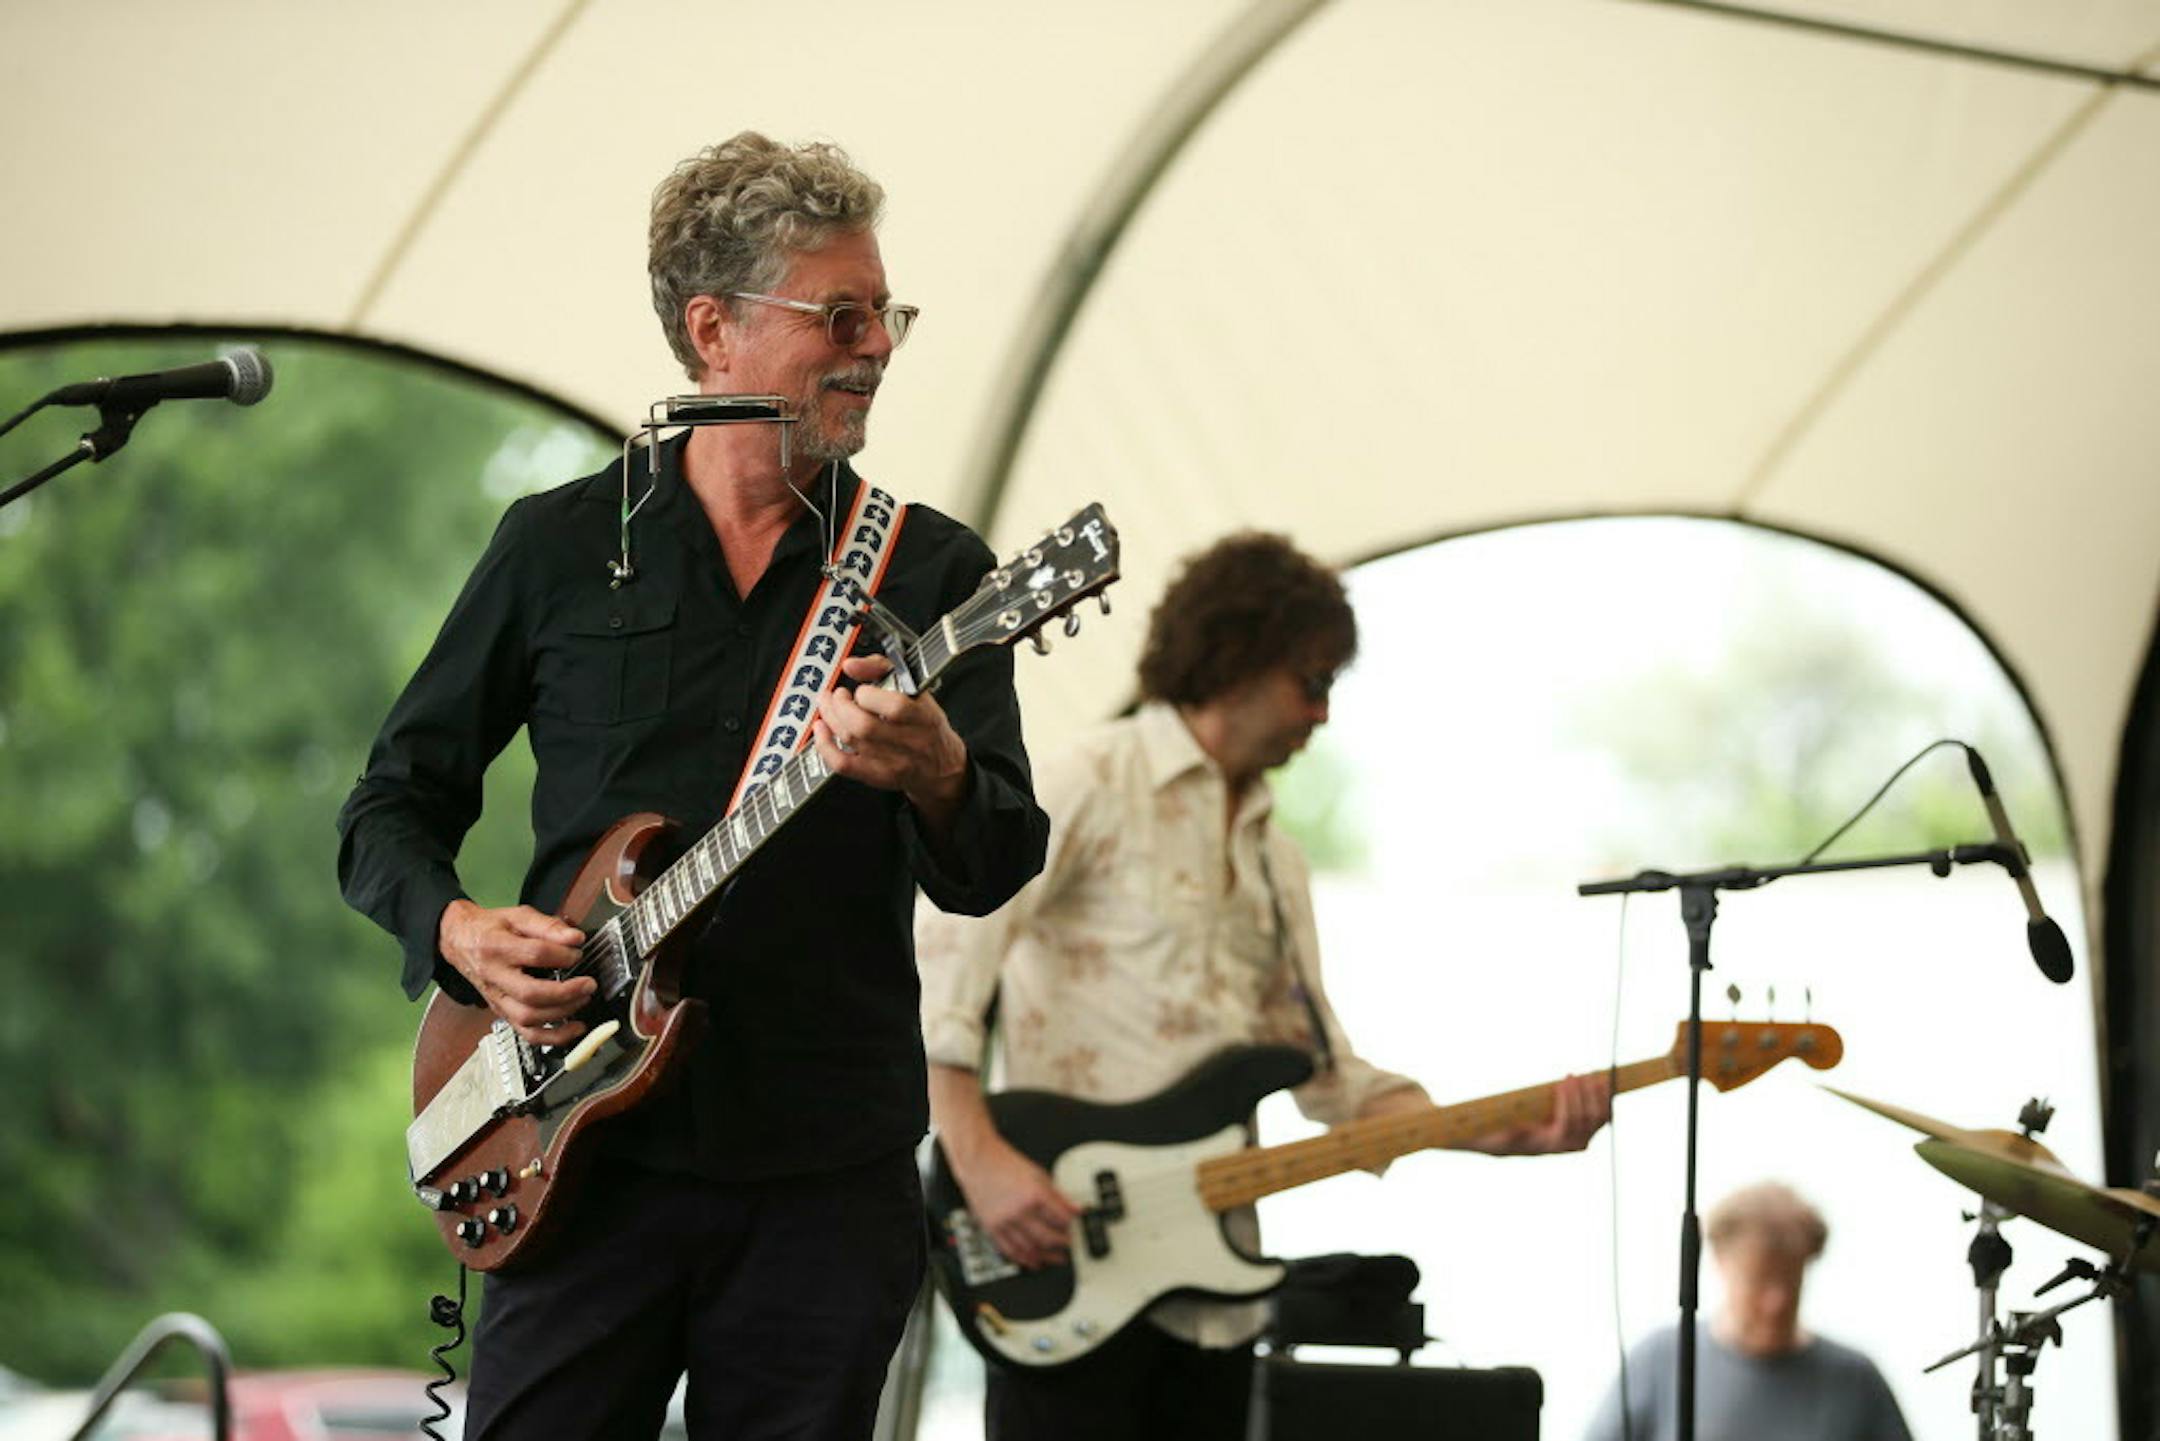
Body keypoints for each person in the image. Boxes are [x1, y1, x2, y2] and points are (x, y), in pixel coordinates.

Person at [336, 133, 1049, 1441]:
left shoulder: (932, 571)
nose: (879, 342)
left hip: (823, 1178)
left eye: (886, 311)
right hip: (571, 1150)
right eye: (841, 313)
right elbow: (389, 806)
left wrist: (940, 768)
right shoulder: (555, 546)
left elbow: (998, 856)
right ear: (712, 330)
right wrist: (458, 930)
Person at [915, 532, 1612, 1441]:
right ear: (1237, 659)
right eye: (1311, 682)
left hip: (1221, 1291)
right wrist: (978, 1156)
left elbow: (1326, 1076)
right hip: (1063, 1263)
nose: (1321, 714)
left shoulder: (1277, 857)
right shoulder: (1094, 775)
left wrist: (1488, 1130)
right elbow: (944, 956)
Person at [1583, 1180, 1913, 1441]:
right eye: (1759, 1282)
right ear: (1720, 1262)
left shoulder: (1856, 1379)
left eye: (1790, 1282)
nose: (1777, 1301)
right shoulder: (1660, 1360)